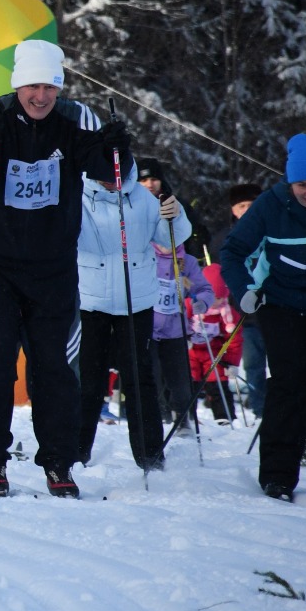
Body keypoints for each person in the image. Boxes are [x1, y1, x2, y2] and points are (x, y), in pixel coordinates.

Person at [0, 40, 124, 498]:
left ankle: (59, 461)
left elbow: (112, 173)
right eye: (32, 87)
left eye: (49, 87)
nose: (40, 97)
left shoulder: (76, 118)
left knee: (55, 366)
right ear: (17, 85)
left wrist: (117, 148)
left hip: (53, 266)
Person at [220, 134, 306, 502]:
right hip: (281, 305)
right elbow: (233, 252)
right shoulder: (271, 204)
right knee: (288, 384)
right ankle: (278, 477)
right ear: (289, 182)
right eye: (302, 185)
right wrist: (245, 290)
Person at [74, 166, 190, 469]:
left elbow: (170, 239)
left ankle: (149, 453)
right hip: (90, 300)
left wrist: (174, 216)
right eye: (104, 176)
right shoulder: (78, 194)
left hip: (135, 300)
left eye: (117, 175)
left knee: (140, 378)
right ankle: (76, 451)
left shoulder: (142, 197)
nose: (111, 182)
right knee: (89, 379)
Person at [152, 227, 213, 435]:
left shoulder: (187, 262)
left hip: (175, 331)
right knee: (150, 377)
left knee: (180, 380)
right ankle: (152, 417)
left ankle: (182, 416)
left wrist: (202, 302)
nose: (165, 245)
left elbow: (204, 289)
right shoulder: (144, 257)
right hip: (148, 330)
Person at [221, 182, 268, 416]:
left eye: (252, 204)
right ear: (233, 210)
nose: (248, 210)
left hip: (276, 309)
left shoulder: (274, 231)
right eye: (242, 206)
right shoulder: (226, 238)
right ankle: (260, 410)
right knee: (253, 365)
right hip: (245, 316)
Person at [189, 264, 243, 424]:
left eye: (219, 298)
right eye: (211, 296)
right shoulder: (190, 306)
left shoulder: (228, 314)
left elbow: (234, 339)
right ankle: (185, 417)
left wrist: (231, 362)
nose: (214, 302)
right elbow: (177, 323)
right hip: (190, 352)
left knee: (218, 383)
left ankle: (224, 417)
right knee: (187, 384)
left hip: (213, 354)